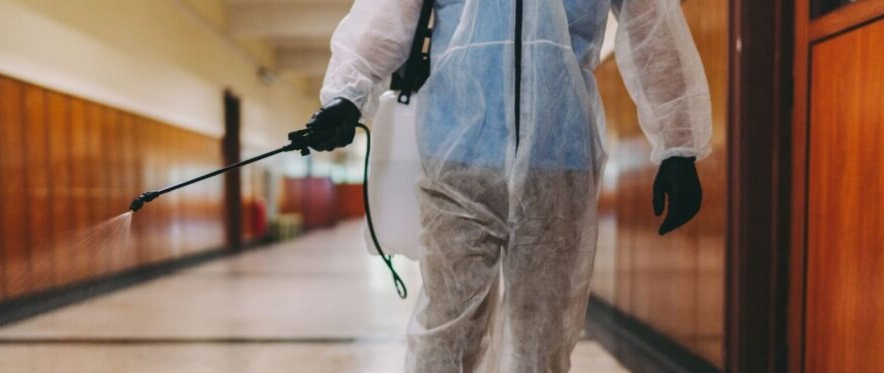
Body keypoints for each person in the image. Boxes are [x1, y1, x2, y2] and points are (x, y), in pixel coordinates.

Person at [304, 0, 711, 371]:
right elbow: (389, 11)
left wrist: (679, 142)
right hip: (458, 154)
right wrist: (346, 94)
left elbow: (651, 22)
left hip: (558, 159)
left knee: (542, 339)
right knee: (448, 330)